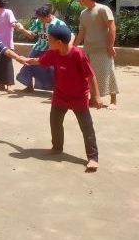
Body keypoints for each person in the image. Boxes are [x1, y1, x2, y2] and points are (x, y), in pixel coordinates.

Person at [22, 25, 100, 171]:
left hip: (79, 96)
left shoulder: (78, 54)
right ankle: (57, 148)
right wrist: (28, 60)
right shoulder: (54, 53)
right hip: (60, 95)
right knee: (55, 122)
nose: (48, 41)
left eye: (50, 39)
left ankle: (93, 158)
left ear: (59, 42)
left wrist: (97, 96)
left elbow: (90, 75)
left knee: (86, 127)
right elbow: (41, 61)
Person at [74, 0, 119, 109]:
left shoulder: (103, 9)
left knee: (108, 72)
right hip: (88, 49)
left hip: (103, 48)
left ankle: (113, 101)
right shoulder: (83, 13)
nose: (79, 0)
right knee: (90, 75)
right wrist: (74, 47)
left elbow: (112, 28)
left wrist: (110, 45)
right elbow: (82, 32)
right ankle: (93, 99)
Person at [15, 4, 66, 93]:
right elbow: (31, 35)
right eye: (38, 18)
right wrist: (22, 29)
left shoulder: (59, 24)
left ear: (49, 16)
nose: (39, 20)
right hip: (39, 47)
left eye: (41, 18)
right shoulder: (38, 22)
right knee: (28, 64)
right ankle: (29, 86)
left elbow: (65, 39)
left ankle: (57, 89)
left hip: (53, 50)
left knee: (53, 69)